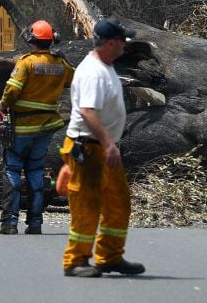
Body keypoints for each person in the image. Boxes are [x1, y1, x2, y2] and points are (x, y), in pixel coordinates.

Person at [60, 17, 146, 278]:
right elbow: (87, 111)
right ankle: (75, 261)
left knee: (118, 201)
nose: (125, 45)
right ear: (110, 43)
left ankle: (109, 257)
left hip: (101, 148)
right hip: (89, 148)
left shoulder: (105, 65)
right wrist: (109, 144)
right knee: (87, 206)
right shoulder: (94, 72)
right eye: (122, 41)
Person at [0, 19, 75, 235]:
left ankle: (9, 222)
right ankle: (36, 222)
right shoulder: (60, 64)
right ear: (52, 39)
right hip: (45, 127)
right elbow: (75, 78)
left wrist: (1, 106)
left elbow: (12, 90)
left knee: (12, 169)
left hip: (22, 126)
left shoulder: (26, 63)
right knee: (36, 170)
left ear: (31, 40)